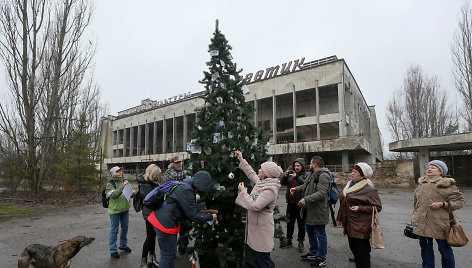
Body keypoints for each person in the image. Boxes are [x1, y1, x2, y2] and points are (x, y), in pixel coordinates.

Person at [147, 171, 217, 268]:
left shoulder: (185, 185)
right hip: (164, 224)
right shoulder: (186, 190)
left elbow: (189, 206)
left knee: (170, 254)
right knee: (167, 256)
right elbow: (193, 216)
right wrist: (211, 217)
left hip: (165, 221)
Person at [411, 160, 465, 268]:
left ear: (441, 171)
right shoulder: (421, 184)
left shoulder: (446, 185)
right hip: (423, 223)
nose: (429, 169)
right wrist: (414, 218)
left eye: (433, 167)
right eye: (428, 167)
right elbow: (416, 204)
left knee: (445, 251)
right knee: (425, 252)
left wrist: (443, 204)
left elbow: (461, 202)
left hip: (441, 224)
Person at [235, 150, 282, 268]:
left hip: (261, 230)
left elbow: (255, 206)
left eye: (261, 169)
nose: (259, 170)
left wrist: (243, 192)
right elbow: (251, 173)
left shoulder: (270, 190)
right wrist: (241, 159)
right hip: (255, 228)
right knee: (255, 260)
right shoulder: (261, 182)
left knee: (263, 261)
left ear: (266, 174)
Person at [336, 162, 382, 268]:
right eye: (352, 171)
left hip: (361, 227)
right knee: (355, 252)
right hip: (349, 225)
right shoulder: (349, 184)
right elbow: (343, 203)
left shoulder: (368, 188)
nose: (352, 173)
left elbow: (378, 207)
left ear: (362, 174)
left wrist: (360, 208)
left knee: (362, 256)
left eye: (355, 171)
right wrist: (339, 217)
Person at [290, 156, 331, 267]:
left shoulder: (323, 176)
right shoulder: (313, 175)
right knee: (310, 231)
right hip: (310, 210)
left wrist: (306, 199)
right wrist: (296, 189)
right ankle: (313, 253)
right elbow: (305, 185)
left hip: (318, 211)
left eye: (310, 163)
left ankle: (322, 258)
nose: (309, 165)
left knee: (320, 234)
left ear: (315, 164)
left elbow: (322, 193)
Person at [106, 166, 135, 259]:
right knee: (114, 230)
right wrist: (123, 186)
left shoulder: (124, 181)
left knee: (125, 228)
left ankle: (123, 245)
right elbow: (114, 195)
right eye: (118, 172)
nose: (120, 173)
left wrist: (132, 193)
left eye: (120, 171)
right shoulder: (110, 184)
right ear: (113, 173)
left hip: (125, 209)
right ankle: (113, 250)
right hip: (115, 211)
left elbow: (127, 194)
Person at [280, 158, 308, 252]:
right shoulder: (291, 175)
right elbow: (282, 183)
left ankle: (301, 241)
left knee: (301, 225)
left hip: (301, 204)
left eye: (298, 166)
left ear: (302, 166)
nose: (296, 167)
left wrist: (296, 177)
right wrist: (285, 175)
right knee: (289, 223)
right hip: (290, 204)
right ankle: (289, 239)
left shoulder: (306, 175)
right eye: (295, 165)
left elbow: (305, 185)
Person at [136, 164, 161, 268]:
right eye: (156, 175)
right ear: (152, 174)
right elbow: (148, 201)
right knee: (150, 237)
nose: (158, 177)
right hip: (149, 213)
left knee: (153, 236)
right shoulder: (145, 185)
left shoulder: (153, 183)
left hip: (154, 212)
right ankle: (144, 261)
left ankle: (152, 258)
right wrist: (160, 197)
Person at [164, 155, 189, 254]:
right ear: (172, 164)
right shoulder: (169, 172)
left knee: (184, 227)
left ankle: (183, 246)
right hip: (173, 205)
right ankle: (172, 249)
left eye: (180, 162)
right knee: (173, 227)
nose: (179, 164)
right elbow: (175, 177)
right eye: (177, 163)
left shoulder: (183, 173)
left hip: (184, 204)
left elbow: (188, 180)